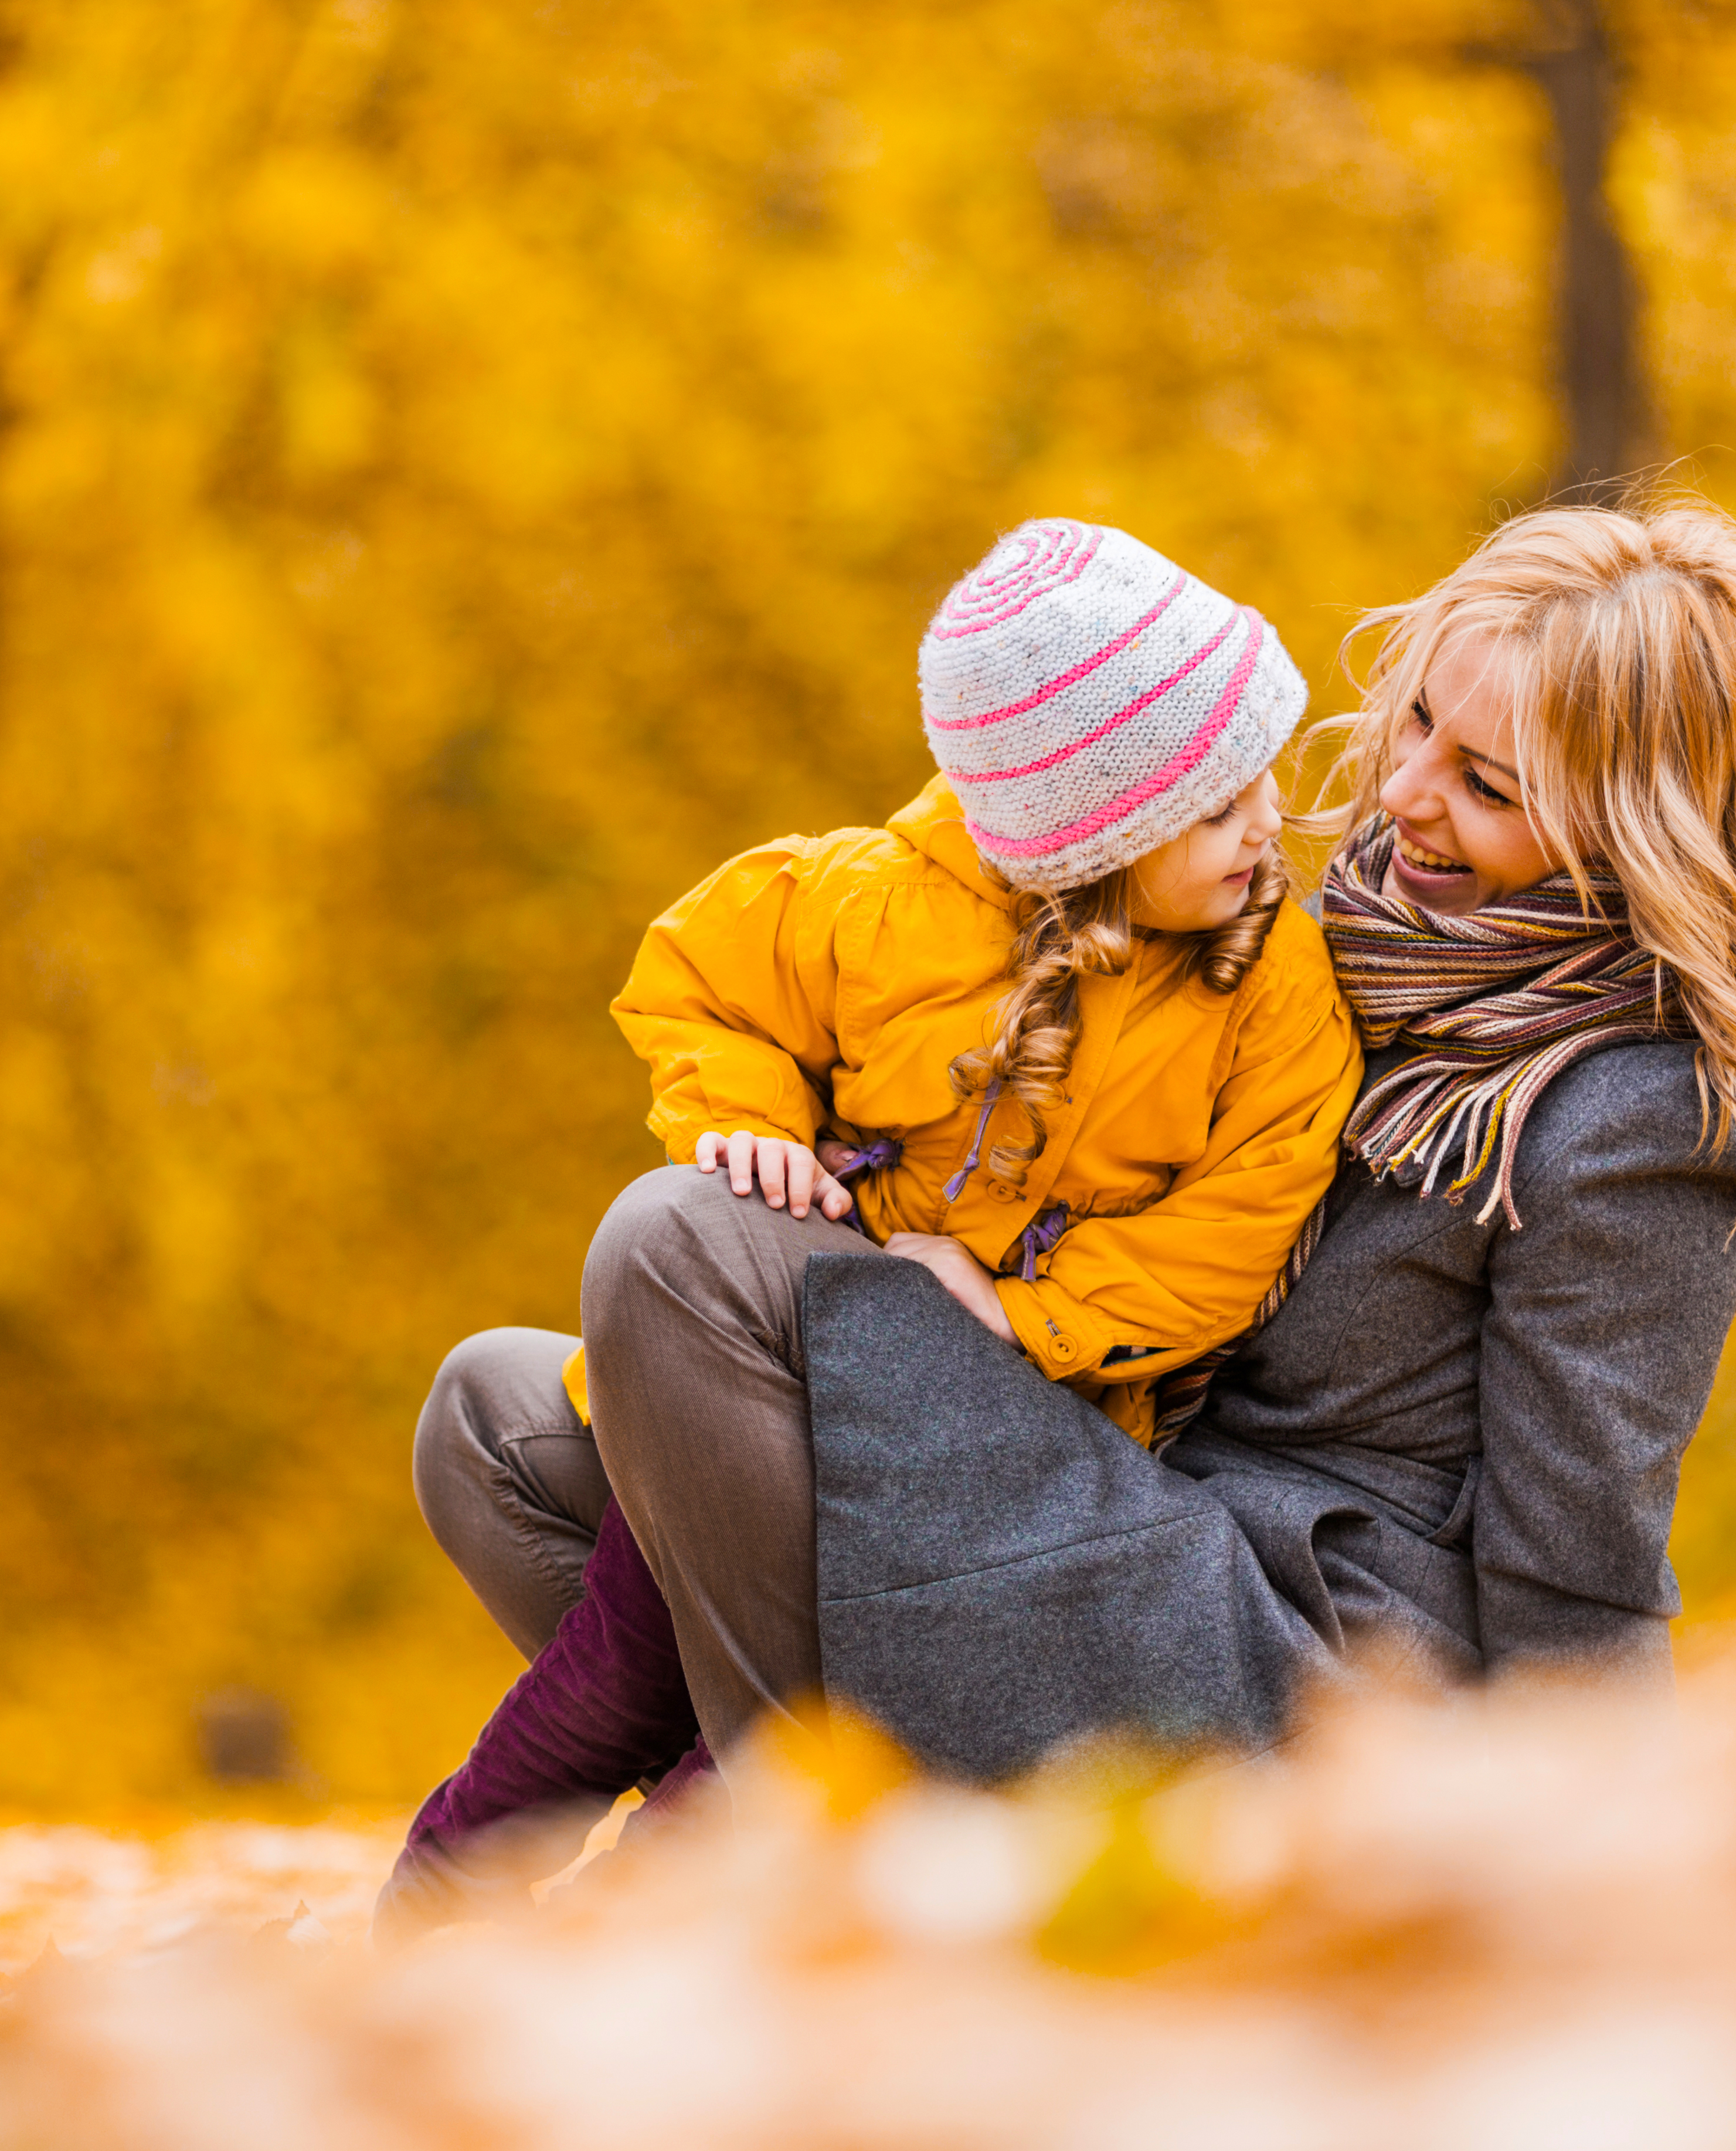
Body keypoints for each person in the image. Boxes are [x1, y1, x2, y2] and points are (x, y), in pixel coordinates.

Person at [405, 494, 1736, 1818]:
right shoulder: (1299, 926)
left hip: (1273, 1653)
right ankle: (866, 1831)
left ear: (1638, 837)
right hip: (1090, 1478)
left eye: (1490, 787)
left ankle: (796, 1864)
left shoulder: (1639, 1126)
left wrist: (1598, 1881)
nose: (1408, 792)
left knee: (683, 1247)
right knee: (500, 1423)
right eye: (1420, 721)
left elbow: (1581, 1562)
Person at [377, 520, 1368, 1933]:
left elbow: (1237, 1227)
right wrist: (753, 1124)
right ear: (1091, 837)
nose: (1267, 823)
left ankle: (759, 1827)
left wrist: (1018, 1311)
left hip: (1009, 1438)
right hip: (819, 1388)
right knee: (483, 1408)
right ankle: (756, 1752)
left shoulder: (1268, 988)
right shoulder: (870, 906)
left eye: (1260, 779)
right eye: (1216, 809)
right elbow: (700, 986)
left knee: (661, 1248)